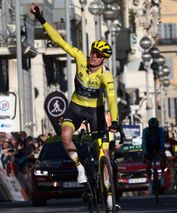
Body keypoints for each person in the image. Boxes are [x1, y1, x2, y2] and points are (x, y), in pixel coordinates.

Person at [30, 2, 119, 183]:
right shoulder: (80, 57)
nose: (94, 57)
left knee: (104, 151)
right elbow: (59, 40)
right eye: (94, 53)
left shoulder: (106, 75)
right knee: (65, 136)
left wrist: (115, 121)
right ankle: (80, 168)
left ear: (104, 60)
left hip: (96, 111)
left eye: (99, 56)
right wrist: (40, 17)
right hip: (76, 107)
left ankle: (107, 186)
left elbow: (111, 98)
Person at [142, 117, 165, 193]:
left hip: (153, 147)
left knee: (160, 158)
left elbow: (144, 142)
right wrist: (145, 153)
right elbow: (144, 143)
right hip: (153, 147)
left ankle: (157, 177)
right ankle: (155, 179)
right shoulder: (158, 130)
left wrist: (145, 153)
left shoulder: (148, 130)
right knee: (160, 158)